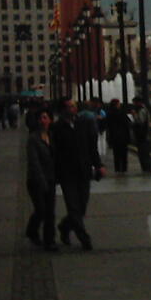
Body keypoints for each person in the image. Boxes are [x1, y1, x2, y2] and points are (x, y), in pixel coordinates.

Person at [53, 98, 103, 250]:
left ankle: (64, 226)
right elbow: (54, 153)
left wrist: (98, 165)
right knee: (74, 208)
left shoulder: (82, 124)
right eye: (69, 106)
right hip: (67, 173)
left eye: (74, 106)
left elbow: (91, 147)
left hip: (83, 171)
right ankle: (84, 238)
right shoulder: (57, 128)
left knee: (81, 207)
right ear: (62, 110)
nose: (73, 109)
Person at [25, 108, 58, 251]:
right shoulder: (33, 138)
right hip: (36, 181)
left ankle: (49, 241)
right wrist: (41, 179)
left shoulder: (52, 136)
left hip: (51, 178)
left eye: (45, 117)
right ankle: (32, 230)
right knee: (41, 210)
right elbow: (34, 161)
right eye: (40, 118)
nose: (42, 120)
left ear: (50, 120)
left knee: (50, 211)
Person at [105, 99, 130, 174]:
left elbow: (108, 125)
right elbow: (127, 123)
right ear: (117, 105)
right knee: (124, 153)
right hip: (123, 136)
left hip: (114, 136)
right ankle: (124, 168)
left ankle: (117, 168)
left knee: (116, 153)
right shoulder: (122, 113)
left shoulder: (109, 113)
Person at [130, 96, 151, 174]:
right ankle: (145, 168)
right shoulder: (142, 109)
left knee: (144, 153)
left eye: (134, 102)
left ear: (138, 102)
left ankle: (147, 169)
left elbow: (140, 122)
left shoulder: (142, 110)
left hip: (143, 135)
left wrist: (134, 115)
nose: (134, 104)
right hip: (142, 135)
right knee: (142, 153)